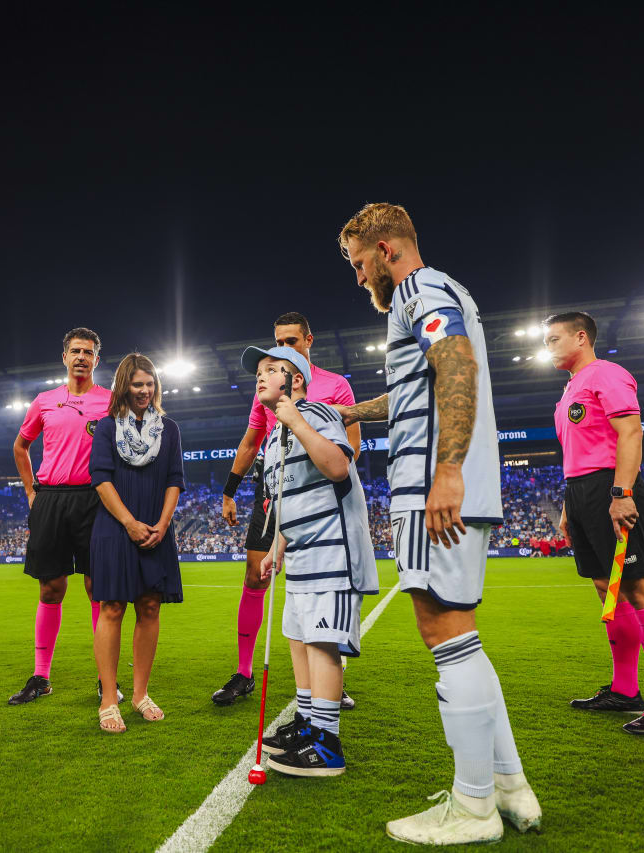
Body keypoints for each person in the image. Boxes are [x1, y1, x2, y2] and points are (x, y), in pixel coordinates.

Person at [336, 203, 540, 844]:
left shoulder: (418, 289)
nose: (359, 277)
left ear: (386, 250)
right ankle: (509, 787)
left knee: (444, 630)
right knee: (462, 636)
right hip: (445, 482)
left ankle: (473, 808)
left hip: (434, 486)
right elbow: (416, 387)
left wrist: (446, 471)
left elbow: (455, 364)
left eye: (359, 263)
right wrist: (351, 411)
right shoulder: (444, 290)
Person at [544, 311, 644, 736]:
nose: (548, 347)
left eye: (553, 339)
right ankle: (625, 690)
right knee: (606, 587)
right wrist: (568, 505)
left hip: (611, 486)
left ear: (581, 337)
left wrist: (622, 493)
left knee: (639, 587)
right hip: (580, 491)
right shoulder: (570, 390)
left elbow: (631, 433)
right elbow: (579, 451)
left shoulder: (606, 374)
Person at [240, 346, 378, 777]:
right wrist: (276, 547)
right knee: (299, 640)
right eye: (258, 371)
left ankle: (327, 744)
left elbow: (338, 467)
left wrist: (297, 422)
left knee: (321, 644)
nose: (260, 376)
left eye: (270, 369)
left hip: (331, 550)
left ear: (295, 379)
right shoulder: (272, 438)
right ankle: (306, 723)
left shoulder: (316, 413)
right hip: (300, 553)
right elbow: (287, 501)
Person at [213, 312, 360, 710]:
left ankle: (328, 680)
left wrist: (327, 486)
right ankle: (244, 672)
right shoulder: (267, 387)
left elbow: (350, 447)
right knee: (256, 576)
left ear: (309, 340)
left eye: (291, 341)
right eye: (278, 341)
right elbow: (251, 441)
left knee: (317, 587)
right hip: (274, 486)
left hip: (319, 489)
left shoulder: (334, 385)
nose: (283, 347)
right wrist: (230, 491)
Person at [7, 328, 114, 705]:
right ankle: (41, 676)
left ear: (97, 360)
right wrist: (30, 492)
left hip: (94, 499)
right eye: (75, 351)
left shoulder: (111, 401)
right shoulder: (44, 401)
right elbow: (21, 446)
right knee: (50, 588)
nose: (81, 357)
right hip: (51, 498)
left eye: (88, 352)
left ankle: (105, 678)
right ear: (65, 357)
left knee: (97, 589)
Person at [89, 354, 185, 732]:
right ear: (123, 386)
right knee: (112, 608)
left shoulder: (169, 429)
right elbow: (101, 479)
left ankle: (141, 694)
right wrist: (129, 523)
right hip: (115, 527)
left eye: (149, 383)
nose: (144, 390)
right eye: (137, 384)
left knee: (149, 607)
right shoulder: (106, 427)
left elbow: (175, 479)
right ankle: (109, 700)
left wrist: (163, 524)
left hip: (157, 528)